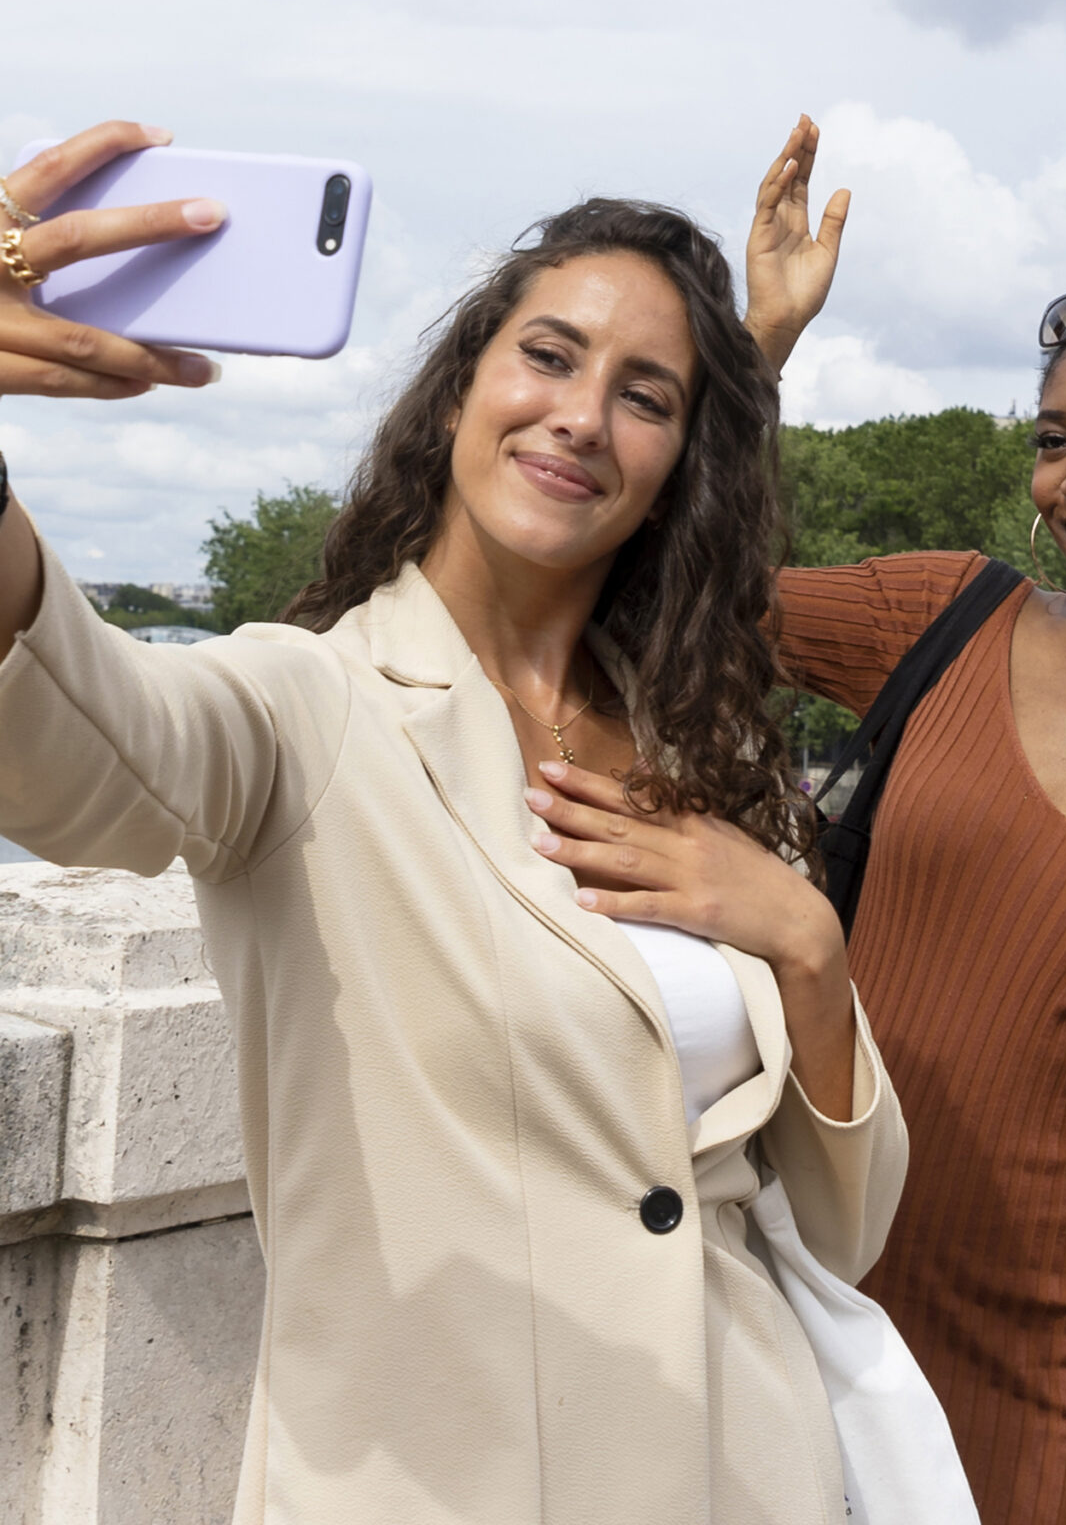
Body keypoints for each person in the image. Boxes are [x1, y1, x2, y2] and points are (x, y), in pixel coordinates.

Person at [0, 118, 931, 1525]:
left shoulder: (707, 749)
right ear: (456, 393)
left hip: (749, 1470)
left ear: (683, 459)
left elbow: (841, 1226)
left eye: (645, 397)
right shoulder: (313, 707)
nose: (579, 415)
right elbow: (83, 748)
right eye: (547, 357)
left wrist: (804, 940)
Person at [557, 128, 1066, 1524]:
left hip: (1055, 1362)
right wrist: (753, 355)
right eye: (1053, 441)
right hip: (799, 1283)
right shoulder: (941, 616)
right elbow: (640, 584)